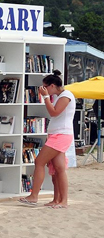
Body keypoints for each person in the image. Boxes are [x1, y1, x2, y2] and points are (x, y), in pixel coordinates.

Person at [20, 70, 74, 208]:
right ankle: (58, 200)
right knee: (57, 169)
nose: (43, 89)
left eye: (45, 87)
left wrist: (45, 97)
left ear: (52, 85)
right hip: (57, 134)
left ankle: (34, 196)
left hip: (61, 135)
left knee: (39, 161)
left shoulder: (65, 95)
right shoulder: (58, 96)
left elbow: (54, 112)